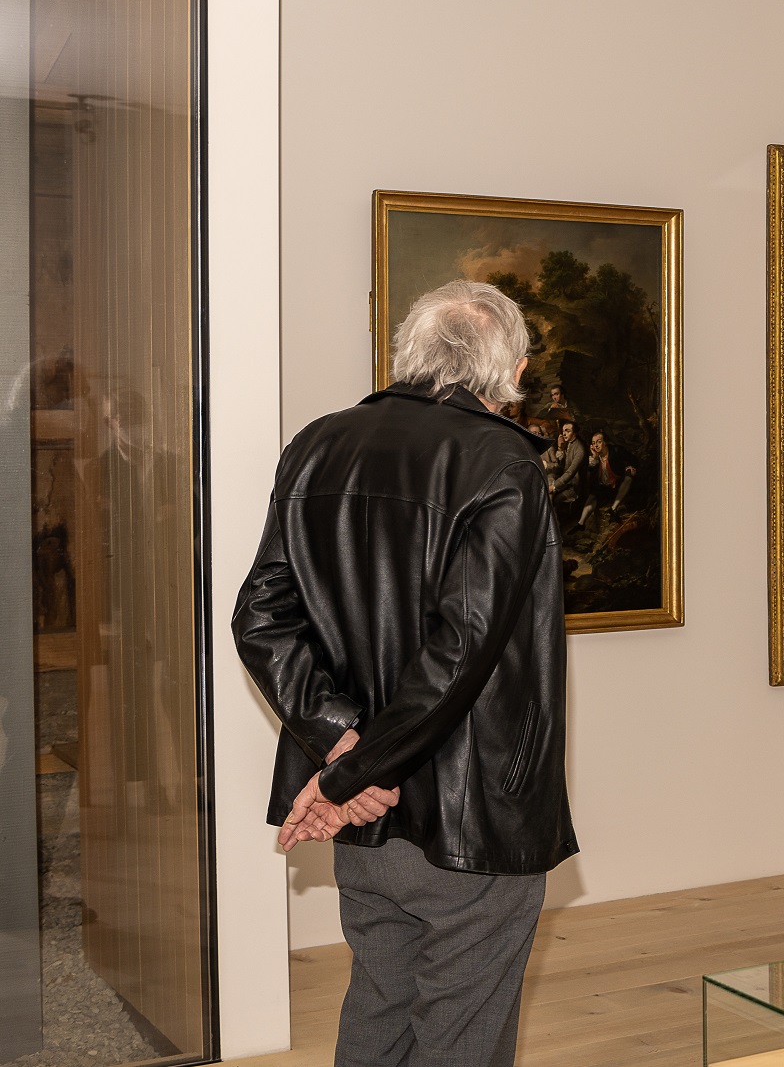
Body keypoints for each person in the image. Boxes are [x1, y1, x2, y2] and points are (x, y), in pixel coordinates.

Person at [233, 280, 576, 1067]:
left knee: (379, 1008)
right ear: (514, 370)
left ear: (408, 353)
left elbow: (259, 617)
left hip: (365, 817)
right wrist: (356, 771)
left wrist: (341, 748)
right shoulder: (504, 462)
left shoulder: (319, 443)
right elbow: (463, 651)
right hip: (469, 817)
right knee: (463, 1035)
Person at [577, 429, 638, 526]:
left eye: (599, 442)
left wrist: (630, 466)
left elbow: (633, 459)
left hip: (618, 485)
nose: (596, 445)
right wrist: (595, 460)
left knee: (629, 476)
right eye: (593, 443)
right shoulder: (593, 459)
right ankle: (581, 523)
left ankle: (613, 508)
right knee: (593, 495)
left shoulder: (616, 450)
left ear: (605, 442)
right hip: (605, 489)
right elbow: (592, 480)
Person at [542, 419, 588, 520]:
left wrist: (554, 486)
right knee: (548, 495)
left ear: (574, 433)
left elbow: (571, 472)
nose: (564, 434)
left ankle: (555, 524)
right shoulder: (568, 443)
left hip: (574, 486)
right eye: (563, 431)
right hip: (566, 483)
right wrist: (560, 448)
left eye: (567, 431)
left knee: (554, 499)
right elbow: (562, 466)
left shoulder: (580, 449)